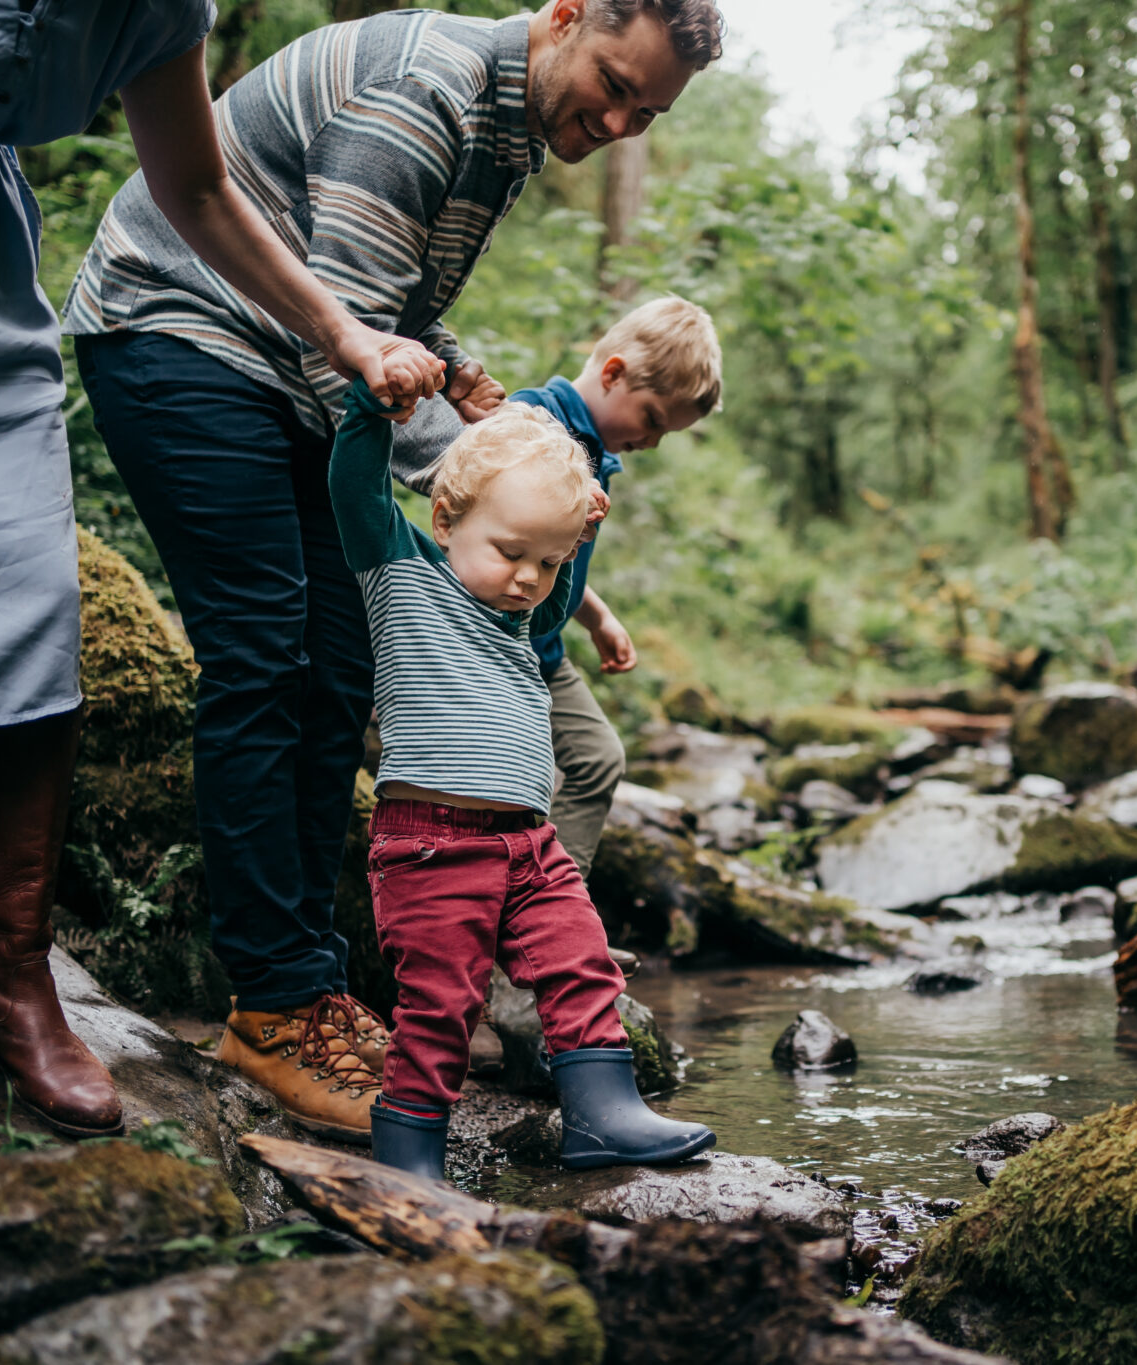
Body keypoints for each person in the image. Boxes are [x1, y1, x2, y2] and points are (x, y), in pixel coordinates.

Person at [0, 0, 440, 1155]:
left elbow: (195, 188)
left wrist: (339, 334)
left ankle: (6, 988)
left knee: (29, 605)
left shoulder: (162, 8)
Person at [66, 0, 723, 1143]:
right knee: (266, 649)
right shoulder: (424, 91)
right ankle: (272, 1001)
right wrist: (505, 475)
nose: (618, 119)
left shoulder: (512, 127)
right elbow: (358, 344)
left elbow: (398, 307)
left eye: (645, 112)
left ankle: (308, 989)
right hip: (183, 330)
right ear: (564, 16)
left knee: (337, 661)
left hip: (294, 360)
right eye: (614, 82)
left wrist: (457, 370)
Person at [327, 392, 715, 1182]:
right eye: (512, 553)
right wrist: (370, 408)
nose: (528, 578)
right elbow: (354, 491)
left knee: (583, 960)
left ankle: (602, 1115)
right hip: (433, 844)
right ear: (444, 521)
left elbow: (560, 596)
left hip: (530, 845)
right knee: (440, 1009)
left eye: (548, 560)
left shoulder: (523, 616)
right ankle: (409, 1159)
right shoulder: (402, 577)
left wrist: (582, 538)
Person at [511, 297, 721, 875]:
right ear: (613, 373)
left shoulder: (597, 454)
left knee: (598, 759)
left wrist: (597, 617)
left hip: (542, 653)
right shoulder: (531, 423)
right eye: (653, 419)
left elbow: (556, 561)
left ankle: (551, 917)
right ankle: (515, 927)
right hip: (493, 649)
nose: (653, 442)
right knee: (512, 780)